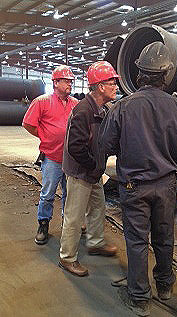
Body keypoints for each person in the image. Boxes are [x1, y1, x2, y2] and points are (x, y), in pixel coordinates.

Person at [99, 42, 177, 316]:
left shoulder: (123, 107)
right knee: (164, 238)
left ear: (139, 72)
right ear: (166, 74)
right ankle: (165, 286)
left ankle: (140, 298)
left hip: (134, 186)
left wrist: (129, 147)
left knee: (137, 241)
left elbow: (106, 144)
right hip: (166, 184)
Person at [59, 61, 119, 277]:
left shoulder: (101, 109)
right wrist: (94, 166)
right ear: (101, 86)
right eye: (112, 83)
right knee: (74, 218)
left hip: (93, 172)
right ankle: (67, 258)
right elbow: (75, 147)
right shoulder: (83, 110)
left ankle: (95, 242)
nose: (116, 87)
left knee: (98, 207)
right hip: (81, 173)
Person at [22, 65, 78, 245]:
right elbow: (28, 123)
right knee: (48, 194)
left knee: (69, 194)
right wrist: (44, 135)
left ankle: (68, 224)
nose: (70, 84)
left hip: (70, 159)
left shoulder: (75, 103)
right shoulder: (42, 101)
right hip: (52, 158)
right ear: (56, 82)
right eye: (66, 81)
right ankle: (43, 223)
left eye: (71, 81)